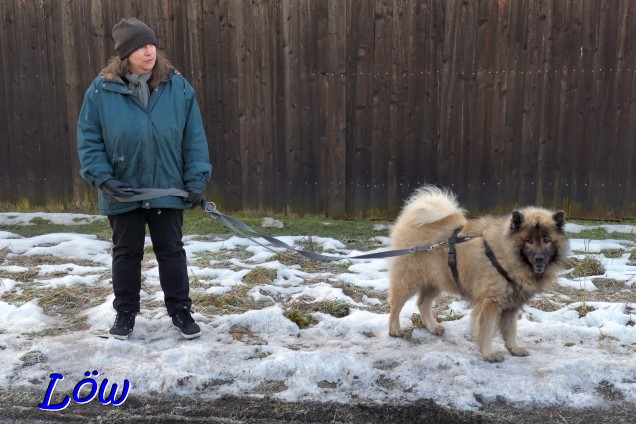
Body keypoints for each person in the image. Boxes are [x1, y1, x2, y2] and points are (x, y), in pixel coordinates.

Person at [77, 18, 212, 340]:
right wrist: (103, 179)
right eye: (139, 46)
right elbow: (89, 139)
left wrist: (195, 180)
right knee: (126, 253)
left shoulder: (177, 86)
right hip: (122, 190)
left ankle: (180, 310)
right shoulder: (101, 91)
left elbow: (194, 137)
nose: (148, 51)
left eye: (150, 43)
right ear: (125, 54)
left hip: (167, 186)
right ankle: (125, 314)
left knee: (171, 251)